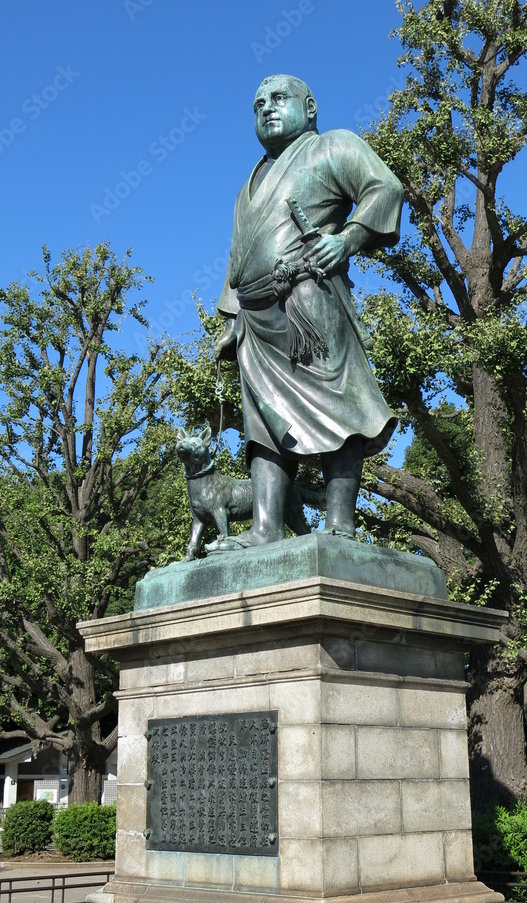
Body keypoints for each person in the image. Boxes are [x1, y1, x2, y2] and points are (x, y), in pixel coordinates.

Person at [211, 74, 403, 549]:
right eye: (258, 104)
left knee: (340, 404)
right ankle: (265, 528)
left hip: (308, 301)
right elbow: (238, 257)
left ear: (310, 106)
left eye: (278, 99)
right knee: (264, 422)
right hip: (256, 318)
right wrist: (230, 318)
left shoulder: (333, 146)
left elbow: (385, 188)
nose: (267, 109)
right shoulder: (247, 185)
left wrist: (347, 239)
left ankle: (340, 523)